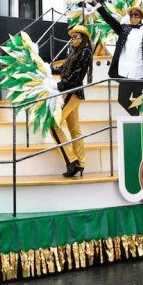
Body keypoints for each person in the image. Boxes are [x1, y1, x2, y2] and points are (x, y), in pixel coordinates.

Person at [50, 25, 94, 178]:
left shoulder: (85, 51)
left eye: (76, 37)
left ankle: (72, 161)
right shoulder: (75, 53)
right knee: (75, 130)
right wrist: (44, 68)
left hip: (72, 92)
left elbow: (76, 76)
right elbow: (62, 70)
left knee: (53, 124)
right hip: (70, 92)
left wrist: (59, 85)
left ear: (84, 38)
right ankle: (80, 163)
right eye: (72, 37)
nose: (73, 40)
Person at [97, 3, 143, 115]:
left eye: (136, 14)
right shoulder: (124, 30)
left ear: (141, 17)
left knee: (140, 101)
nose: (134, 17)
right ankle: (136, 118)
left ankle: (140, 122)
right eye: (132, 15)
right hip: (126, 72)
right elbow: (109, 20)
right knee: (122, 99)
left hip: (141, 73)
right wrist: (97, 6)